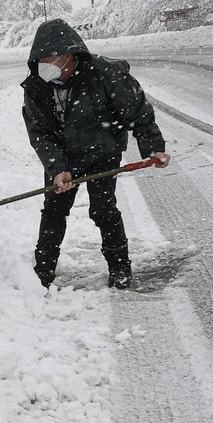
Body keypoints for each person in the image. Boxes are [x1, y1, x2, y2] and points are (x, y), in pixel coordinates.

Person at [21, 19, 170, 289]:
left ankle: (120, 268)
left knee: (103, 210)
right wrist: (57, 168)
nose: (46, 65)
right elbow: (39, 132)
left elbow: (136, 111)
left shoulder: (104, 74)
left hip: (102, 152)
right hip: (63, 157)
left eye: (51, 59)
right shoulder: (37, 87)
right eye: (42, 60)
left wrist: (153, 147)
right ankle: (42, 273)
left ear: (70, 56)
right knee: (54, 211)